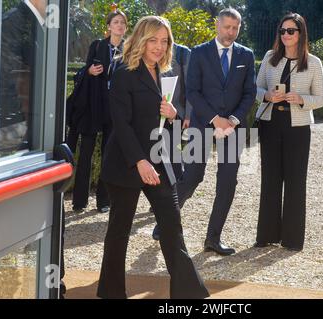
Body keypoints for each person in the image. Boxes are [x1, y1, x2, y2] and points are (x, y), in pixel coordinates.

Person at [97, 16, 209, 299]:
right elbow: (120, 123)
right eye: (153, 40)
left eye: (164, 41)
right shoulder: (123, 72)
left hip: (159, 161)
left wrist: (175, 115)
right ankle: (111, 293)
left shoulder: (165, 72)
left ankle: (189, 296)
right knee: (119, 233)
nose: (159, 47)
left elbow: (166, 121)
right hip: (126, 164)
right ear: (141, 39)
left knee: (172, 228)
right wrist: (139, 162)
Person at [175, 8, 256, 256]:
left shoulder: (247, 55)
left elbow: (249, 93)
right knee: (192, 177)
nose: (230, 32)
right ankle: (165, 220)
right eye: (226, 27)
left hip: (233, 127)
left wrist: (232, 119)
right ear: (217, 25)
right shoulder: (198, 53)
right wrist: (214, 118)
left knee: (227, 182)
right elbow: (192, 91)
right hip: (202, 123)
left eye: (235, 28)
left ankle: (213, 238)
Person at [254, 13, 323, 251]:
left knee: (296, 182)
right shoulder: (269, 58)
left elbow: (321, 98)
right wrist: (266, 95)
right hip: (270, 123)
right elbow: (256, 88)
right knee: (270, 180)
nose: (286, 35)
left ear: (301, 33)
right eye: (282, 31)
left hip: (298, 127)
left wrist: (300, 99)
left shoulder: (313, 63)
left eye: (291, 31)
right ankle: (266, 235)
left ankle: (293, 240)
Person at [66, 9, 128, 213]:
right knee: (86, 153)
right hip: (94, 105)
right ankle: (79, 201)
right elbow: (82, 73)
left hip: (116, 108)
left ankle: (104, 201)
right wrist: (90, 71)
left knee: (109, 155)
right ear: (109, 26)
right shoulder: (98, 45)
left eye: (123, 23)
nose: (119, 25)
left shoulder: (129, 48)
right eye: (116, 22)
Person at [152, 43, 192, 241]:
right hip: (149, 121)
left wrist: (187, 114)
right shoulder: (144, 54)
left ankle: (167, 221)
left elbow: (191, 86)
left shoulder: (184, 53)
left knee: (175, 169)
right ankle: (162, 209)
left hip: (174, 119)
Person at [0, 0, 47, 156]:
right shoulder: (15, 21)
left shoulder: (32, 20)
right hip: (13, 121)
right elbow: (7, 71)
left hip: (27, 116)